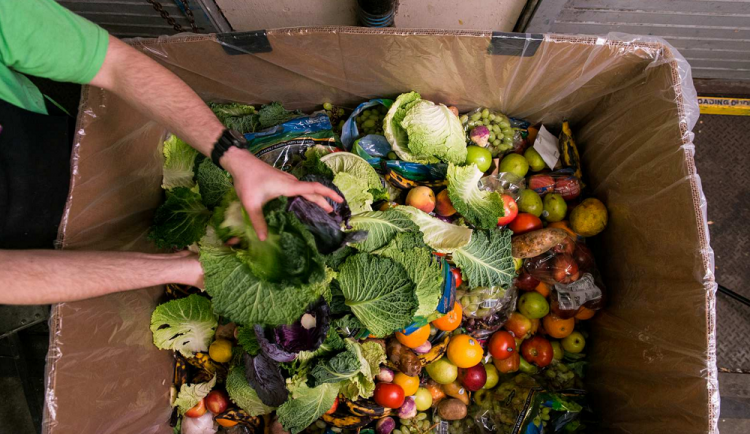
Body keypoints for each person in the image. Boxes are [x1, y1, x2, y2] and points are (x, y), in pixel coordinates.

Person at [0, 0, 341, 304]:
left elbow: (116, 64)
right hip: (32, 247)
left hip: (70, 145)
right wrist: (181, 269)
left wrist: (237, 158)